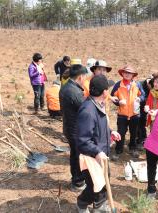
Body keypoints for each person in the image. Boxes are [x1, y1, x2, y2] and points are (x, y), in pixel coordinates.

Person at [76, 75, 121, 213]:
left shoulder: (99, 104)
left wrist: (110, 132)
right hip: (91, 156)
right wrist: (97, 152)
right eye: (107, 88)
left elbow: (99, 127)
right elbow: (83, 140)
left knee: (104, 181)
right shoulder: (88, 111)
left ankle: (99, 206)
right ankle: (82, 204)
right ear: (104, 92)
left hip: (101, 153)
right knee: (94, 185)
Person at [59, 64, 87, 191]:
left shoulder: (66, 87)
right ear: (80, 77)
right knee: (78, 155)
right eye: (85, 77)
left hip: (69, 127)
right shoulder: (74, 91)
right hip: (75, 129)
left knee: (74, 154)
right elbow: (85, 110)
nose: (85, 79)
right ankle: (78, 182)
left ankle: (76, 179)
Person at [110, 65, 145, 160]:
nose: (127, 74)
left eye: (129, 73)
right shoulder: (118, 84)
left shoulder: (137, 85)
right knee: (120, 133)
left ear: (133, 75)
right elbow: (112, 96)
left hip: (135, 115)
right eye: (125, 72)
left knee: (134, 133)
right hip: (122, 115)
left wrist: (139, 98)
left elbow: (143, 95)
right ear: (122, 73)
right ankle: (118, 149)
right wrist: (118, 102)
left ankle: (132, 148)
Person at [136, 76, 153, 149]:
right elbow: (138, 96)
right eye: (151, 87)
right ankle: (139, 139)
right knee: (138, 123)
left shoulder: (154, 85)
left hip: (146, 108)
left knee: (143, 123)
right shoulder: (139, 85)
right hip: (138, 107)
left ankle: (143, 139)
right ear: (148, 83)